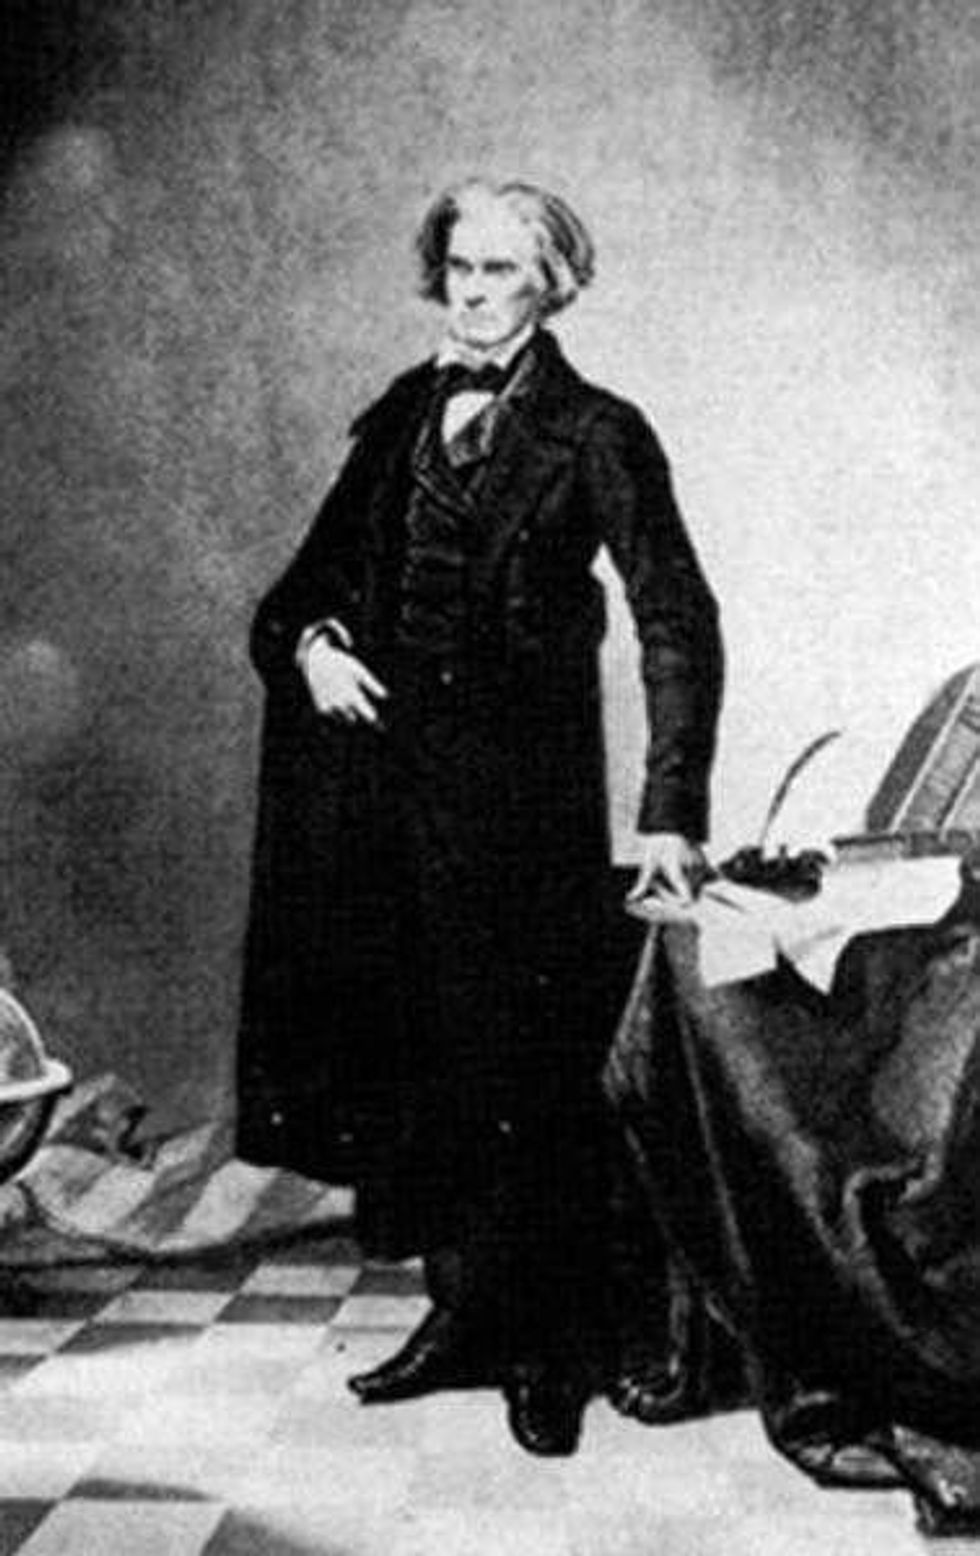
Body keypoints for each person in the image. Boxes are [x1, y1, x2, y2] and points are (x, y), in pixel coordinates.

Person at [236, 177, 723, 1455]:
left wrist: (669, 807)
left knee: (529, 1068)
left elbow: (677, 618)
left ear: (547, 285)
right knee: (423, 1065)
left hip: (523, 813)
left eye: (498, 269)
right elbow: (297, 591)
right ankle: (461, 1317)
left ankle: (548, 1352)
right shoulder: (403, 414)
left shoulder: (598, 432)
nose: (469, 291)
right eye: (457, 266)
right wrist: (317, 648)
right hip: (388, 806)